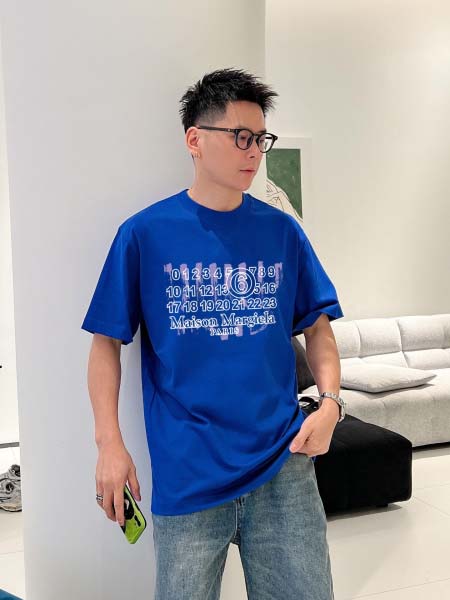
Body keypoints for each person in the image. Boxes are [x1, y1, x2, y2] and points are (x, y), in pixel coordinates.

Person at [81, 67, 345, 600]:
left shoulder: (282, 232)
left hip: (283, 461)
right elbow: (106, 342)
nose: (254, 152)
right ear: (195, 140)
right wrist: (109, 444)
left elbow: (317, 327)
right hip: (189, 471)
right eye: (240, 136)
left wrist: (331, 404)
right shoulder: (144, 235)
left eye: (261, 139)